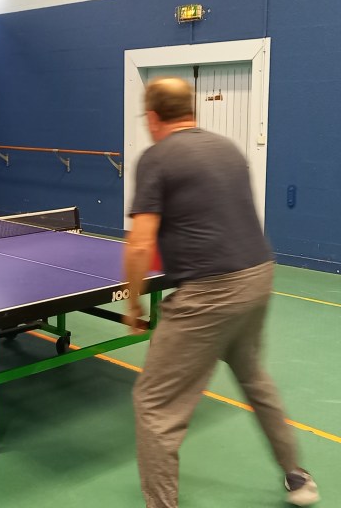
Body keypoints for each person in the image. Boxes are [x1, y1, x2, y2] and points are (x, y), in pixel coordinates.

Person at [123, 77, 319, 507]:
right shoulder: (227, 148)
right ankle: (297, 476)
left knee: (154, 403)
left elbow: (139, 244)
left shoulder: (157, 158)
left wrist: (134, 302)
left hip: (208, 293)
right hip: (257, 277)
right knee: (253, 377)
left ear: (152, 117)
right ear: (190, 110)